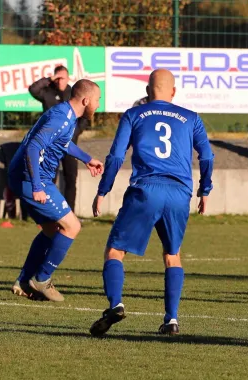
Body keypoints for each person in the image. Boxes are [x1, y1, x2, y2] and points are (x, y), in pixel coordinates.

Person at [89, 69, 214, 337]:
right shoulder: (191, 118)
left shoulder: (134, 115)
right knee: (172, 255)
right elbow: (206, 157)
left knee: (115, 251)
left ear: (147, 91)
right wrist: (205, 190)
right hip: (180, 193)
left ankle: (116, 304)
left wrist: (103, 189)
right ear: (174, 92)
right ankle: (171, 320)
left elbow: (115, 156)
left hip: (146, 190)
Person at [9, 80, 104, 301]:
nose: (98, 105)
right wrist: (37, 186)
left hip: (29, 177)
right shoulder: (62, 116)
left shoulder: (67, 115)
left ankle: (24, 281)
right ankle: (41, 279)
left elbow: (63, 143)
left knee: (52, 230)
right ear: (86, 100)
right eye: (97, 100)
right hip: (31, 178)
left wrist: (87, 159)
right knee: (72, 226)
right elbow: (33, 147)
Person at [29, 65, 90, 212]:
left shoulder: (73, 93)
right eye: (57, 78)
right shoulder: (48, 92)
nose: (60, 81)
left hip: (70, 144)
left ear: (68, 78)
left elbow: (85, 116)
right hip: (50, 146)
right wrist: (49, 79)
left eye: (63, 78)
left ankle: (70, 212)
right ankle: (49, 212)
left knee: (71, 178)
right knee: (50, 178)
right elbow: (33, 89)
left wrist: (74, 132)